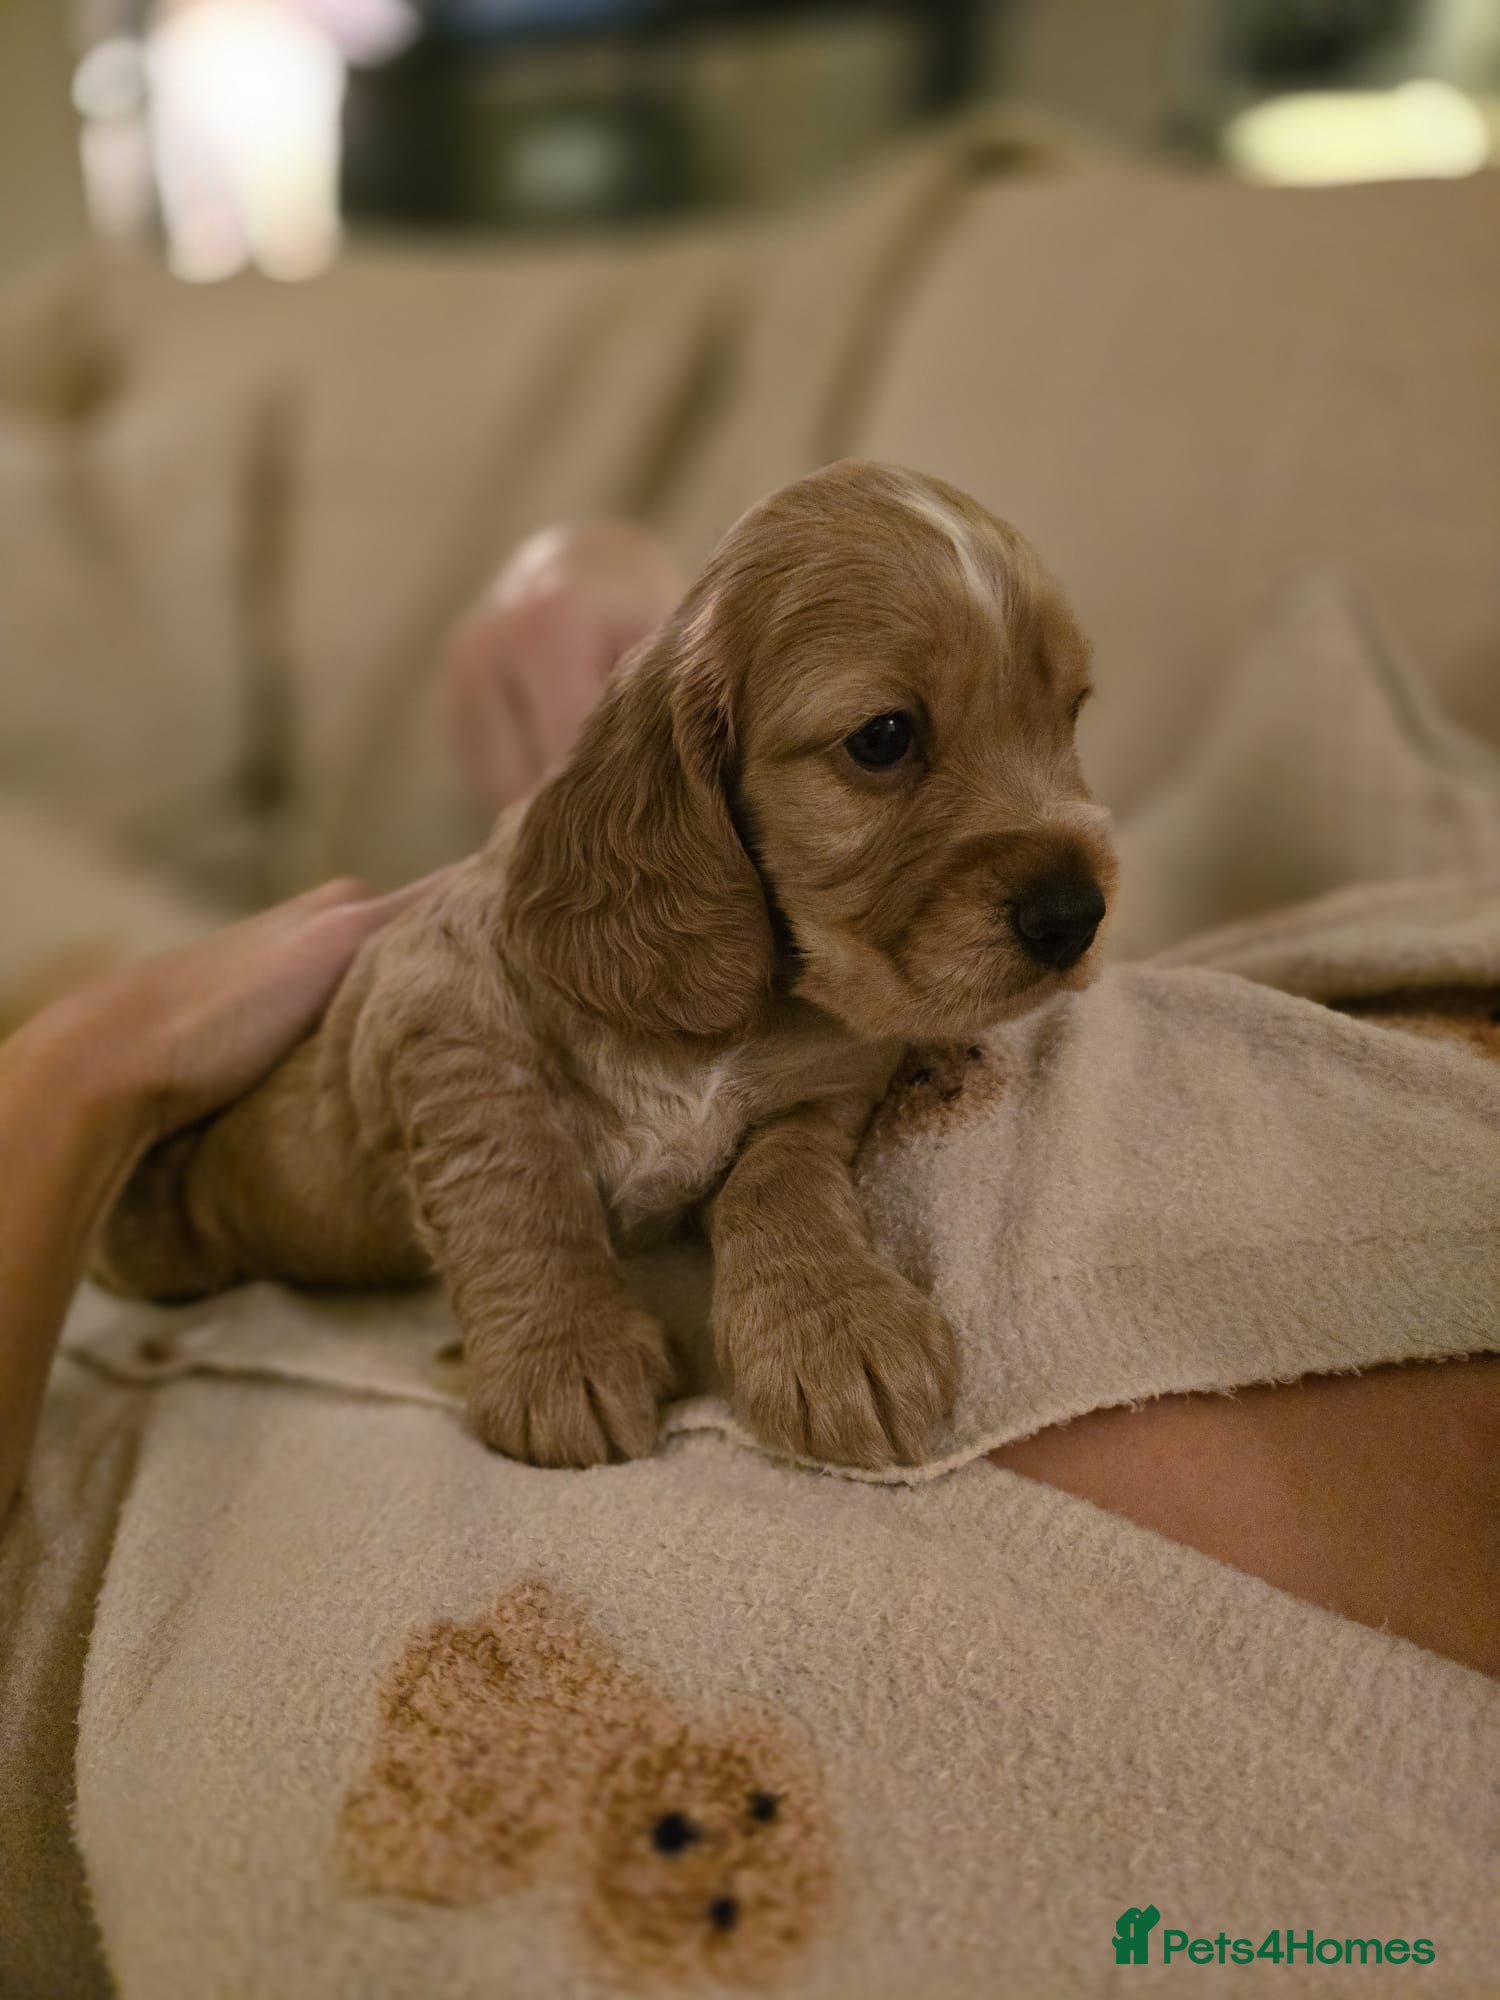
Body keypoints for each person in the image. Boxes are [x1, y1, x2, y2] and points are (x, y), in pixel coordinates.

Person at [1, 518, 1494, 1679]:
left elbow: (785, 1112)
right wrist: (84, 1064)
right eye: (890, 743)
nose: (1063, 853)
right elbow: (451, 1034)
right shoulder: (603, 879)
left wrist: (798, 1246)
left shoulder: (847, 981)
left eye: (1062, 721)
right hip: (193, 1112)